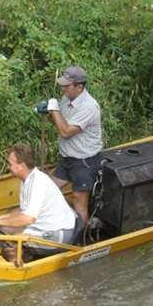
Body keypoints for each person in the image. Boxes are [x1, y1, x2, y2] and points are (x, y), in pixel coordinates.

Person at [45, 65, 103, 223]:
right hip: (68, 159)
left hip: (84, 161)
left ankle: (81, 242)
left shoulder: (89, 107)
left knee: (79, 200)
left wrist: (55, 110)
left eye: (67, 86)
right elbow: (59, 124)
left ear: (79, 86)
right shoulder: (66, 98)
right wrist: (50, 112)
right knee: (49, 188)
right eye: (62, 85)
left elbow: (66, 131)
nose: (63, 89)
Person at [0, 144, 76, 246]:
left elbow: (28, 218)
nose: (8, 167)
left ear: (22, 166)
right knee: (4, 230)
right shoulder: (26, 180)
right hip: (42, 225)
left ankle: (18, 258)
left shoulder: (37, 183)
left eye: (10, 164)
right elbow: (22, 210)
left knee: (12, 244)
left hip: (58, 232)